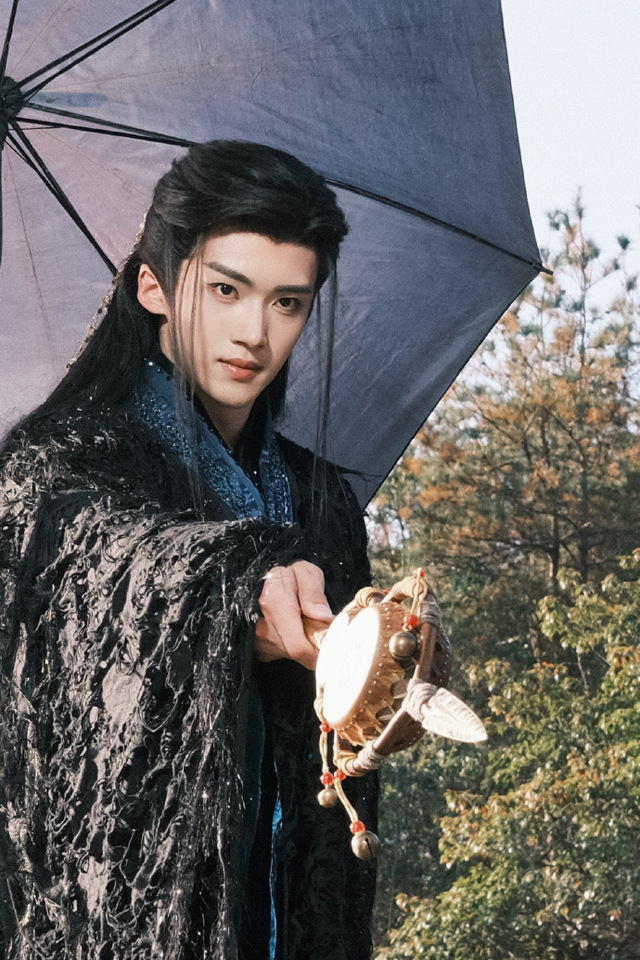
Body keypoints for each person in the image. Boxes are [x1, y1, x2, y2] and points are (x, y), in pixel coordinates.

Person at [0, 141, 377, 960]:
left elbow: (343, 776)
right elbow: (105, 554)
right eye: (225, 290)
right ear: (154, 287)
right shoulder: (55, 469)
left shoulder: (323, 501)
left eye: (288, 302)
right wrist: (235, 585)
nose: (254, 332)